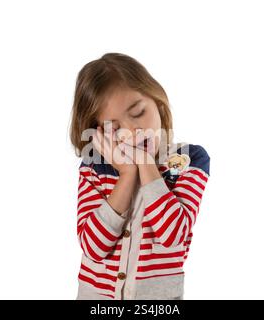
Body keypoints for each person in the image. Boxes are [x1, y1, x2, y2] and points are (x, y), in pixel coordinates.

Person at [69, 52, 211, 300]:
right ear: (99, 134)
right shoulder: (93, 168)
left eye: (137, 113)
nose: (134, 131)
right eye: (116, 127)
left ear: (156, 100)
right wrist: (126, 174)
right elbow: (93, 246)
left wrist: (145, 163)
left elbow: (173, 236)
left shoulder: (190, 159)